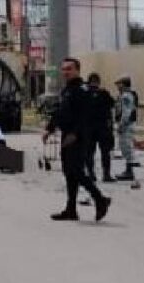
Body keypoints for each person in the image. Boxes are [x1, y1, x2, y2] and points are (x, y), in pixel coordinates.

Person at [44, 58, 112, 222]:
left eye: (69, 69)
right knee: (69, 173)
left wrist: (75, 134)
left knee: (76, 171)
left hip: (79, 136)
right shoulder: (67, 90)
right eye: (64, 69)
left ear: (77, 70)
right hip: (67, 134)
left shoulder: (82, 90)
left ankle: (100, 199)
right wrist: (49, 128)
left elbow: (85, 116)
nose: (65, 72)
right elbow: (60, 112)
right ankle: (71, 209)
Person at [84, 72, 116, 183]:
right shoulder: (104, 93)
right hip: (102, 127)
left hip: (89, 128)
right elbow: (112, 105)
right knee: (105, 152)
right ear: (98, 82)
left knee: (89, 152)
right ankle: (106, 174)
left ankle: (91, 174)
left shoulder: (85, 94)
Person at [114, 76, 139, 182]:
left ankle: (129, 172)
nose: (117, 86)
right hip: (128, 124)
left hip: (127, 125)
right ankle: (128, 170)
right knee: (125, 147)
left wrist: (121, 125)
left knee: (126, 147)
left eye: (119, 84)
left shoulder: (126, 96)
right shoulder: (127, 95)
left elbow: (126, 112)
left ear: (123, 85)